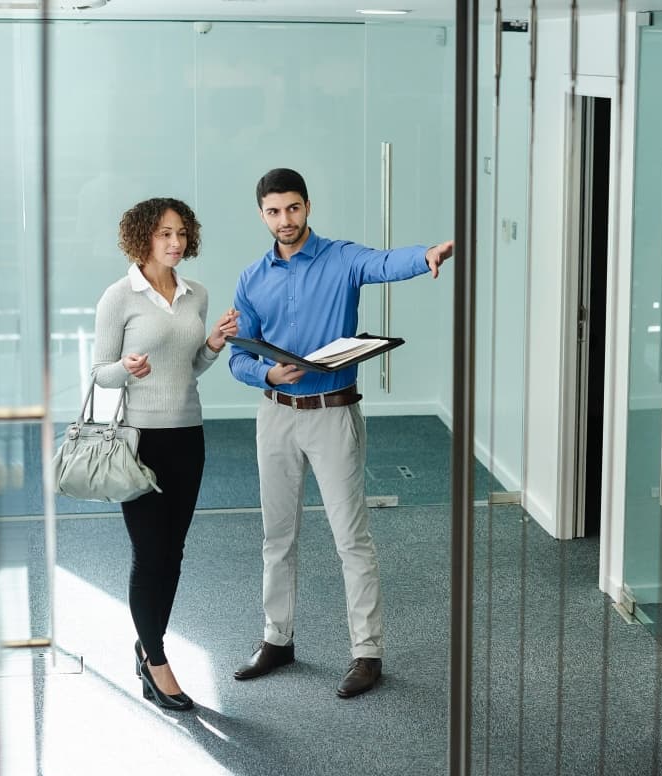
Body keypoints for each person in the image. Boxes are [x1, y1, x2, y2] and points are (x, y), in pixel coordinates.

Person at [228, 167, 453, 698]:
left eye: (293, 209)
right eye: (274, 211)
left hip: (333, 413)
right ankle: (277, 639)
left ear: (308, 206)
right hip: (276, 415)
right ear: (262, 213)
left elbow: (383, 263)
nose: (285, 220)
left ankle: (367, 652)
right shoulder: (251, 277)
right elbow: (239, 354)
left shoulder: (341, 258)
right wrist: (266, 373)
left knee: (351, 538)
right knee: (276, 536)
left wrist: (425, 257)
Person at [91, 197, 239, 710]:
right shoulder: (119, 297)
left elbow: (189, 366)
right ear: (142, 238)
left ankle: (146, 643)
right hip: (141, 440)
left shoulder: (195, 294)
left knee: (172, 554)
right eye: (163, 234)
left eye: (180, 233)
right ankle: (156, 662)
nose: (175, 243)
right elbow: (100, 372)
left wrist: (215, 344)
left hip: (188, 436)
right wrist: (126, 368)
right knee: (148, 554)